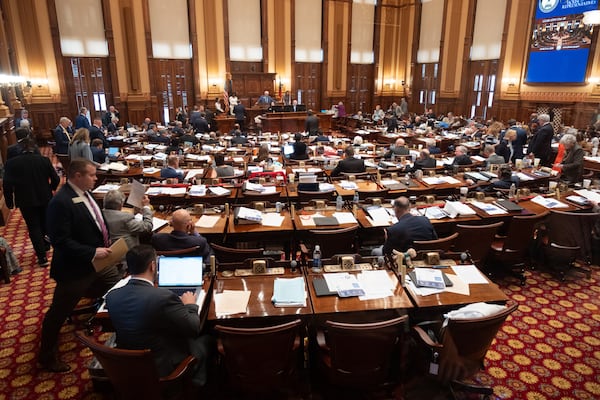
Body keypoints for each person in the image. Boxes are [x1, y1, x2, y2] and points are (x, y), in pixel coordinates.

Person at [40, 159, 121, 372]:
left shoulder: (86, 192)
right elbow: (60, 241)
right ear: (77, 175)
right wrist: (93, 251)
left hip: (101, 261)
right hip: (75, 268)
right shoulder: (60, 202)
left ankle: (119, 330)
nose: (96, 178)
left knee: (118, 290)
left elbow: (95, 221)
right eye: (92, 175)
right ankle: (46, 357)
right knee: (58, 312)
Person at [105, 245, 213, 387]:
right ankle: (199, 385)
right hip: (162, 367)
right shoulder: (163, 297)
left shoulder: (112, 296)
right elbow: (194, 328)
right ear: (153, 266)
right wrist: (190, 305)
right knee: (208, 338)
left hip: (128, 364)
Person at [3, 136, 60, 267]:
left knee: (33, 227)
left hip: (25, 201)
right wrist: (50, 189)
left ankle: (42, 258)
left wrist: (9, 201)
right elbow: (56, 179)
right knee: (46, 224)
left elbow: (7, 185)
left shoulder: (11, 163)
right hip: (45, 197)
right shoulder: (43, 160)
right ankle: (46, 245)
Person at [372, 196, 437, 256]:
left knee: (375, 251)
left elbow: (386, 253)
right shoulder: (425, 220)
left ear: (396, 209)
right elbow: (435, 240)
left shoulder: (393, 229)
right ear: (410, 207)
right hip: (425, 256)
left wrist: (387, 239)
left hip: (403, 258)